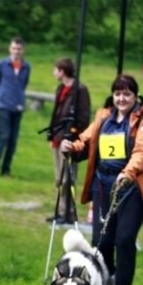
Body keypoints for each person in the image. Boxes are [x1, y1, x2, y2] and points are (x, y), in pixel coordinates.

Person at [59, 74, 143, 285]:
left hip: (132, 188)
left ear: (135, 96)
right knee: (102, 242)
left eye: (127, 94)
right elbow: (86, 139)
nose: (121, 98)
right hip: (103, 185)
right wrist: (72, 147)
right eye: (117, 93)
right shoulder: (104, 116)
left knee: (124, 240)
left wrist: (128, 173)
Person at [46, 57, 91, 224]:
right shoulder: (61, 88)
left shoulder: (80, 89)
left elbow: (84, 116)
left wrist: (75, 137)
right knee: (59, 177)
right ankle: (60, 210)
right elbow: (56, 112)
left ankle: (69, 212)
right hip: (58, 138)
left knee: (68, 178)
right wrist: (52, 133)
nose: (54, 72)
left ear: (62, 71)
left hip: (70, 140)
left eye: (56, 69)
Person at [0, 36, 30, 177]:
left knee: (13, 139)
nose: (16, 51)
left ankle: (6, 169)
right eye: (14, 48)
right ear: (9, 49)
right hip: (4, 105)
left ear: (22, 50)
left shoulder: (26, 66)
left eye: (19, 49)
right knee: (3, 137)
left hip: (18, 106)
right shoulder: (2, 65)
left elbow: (23, 85)